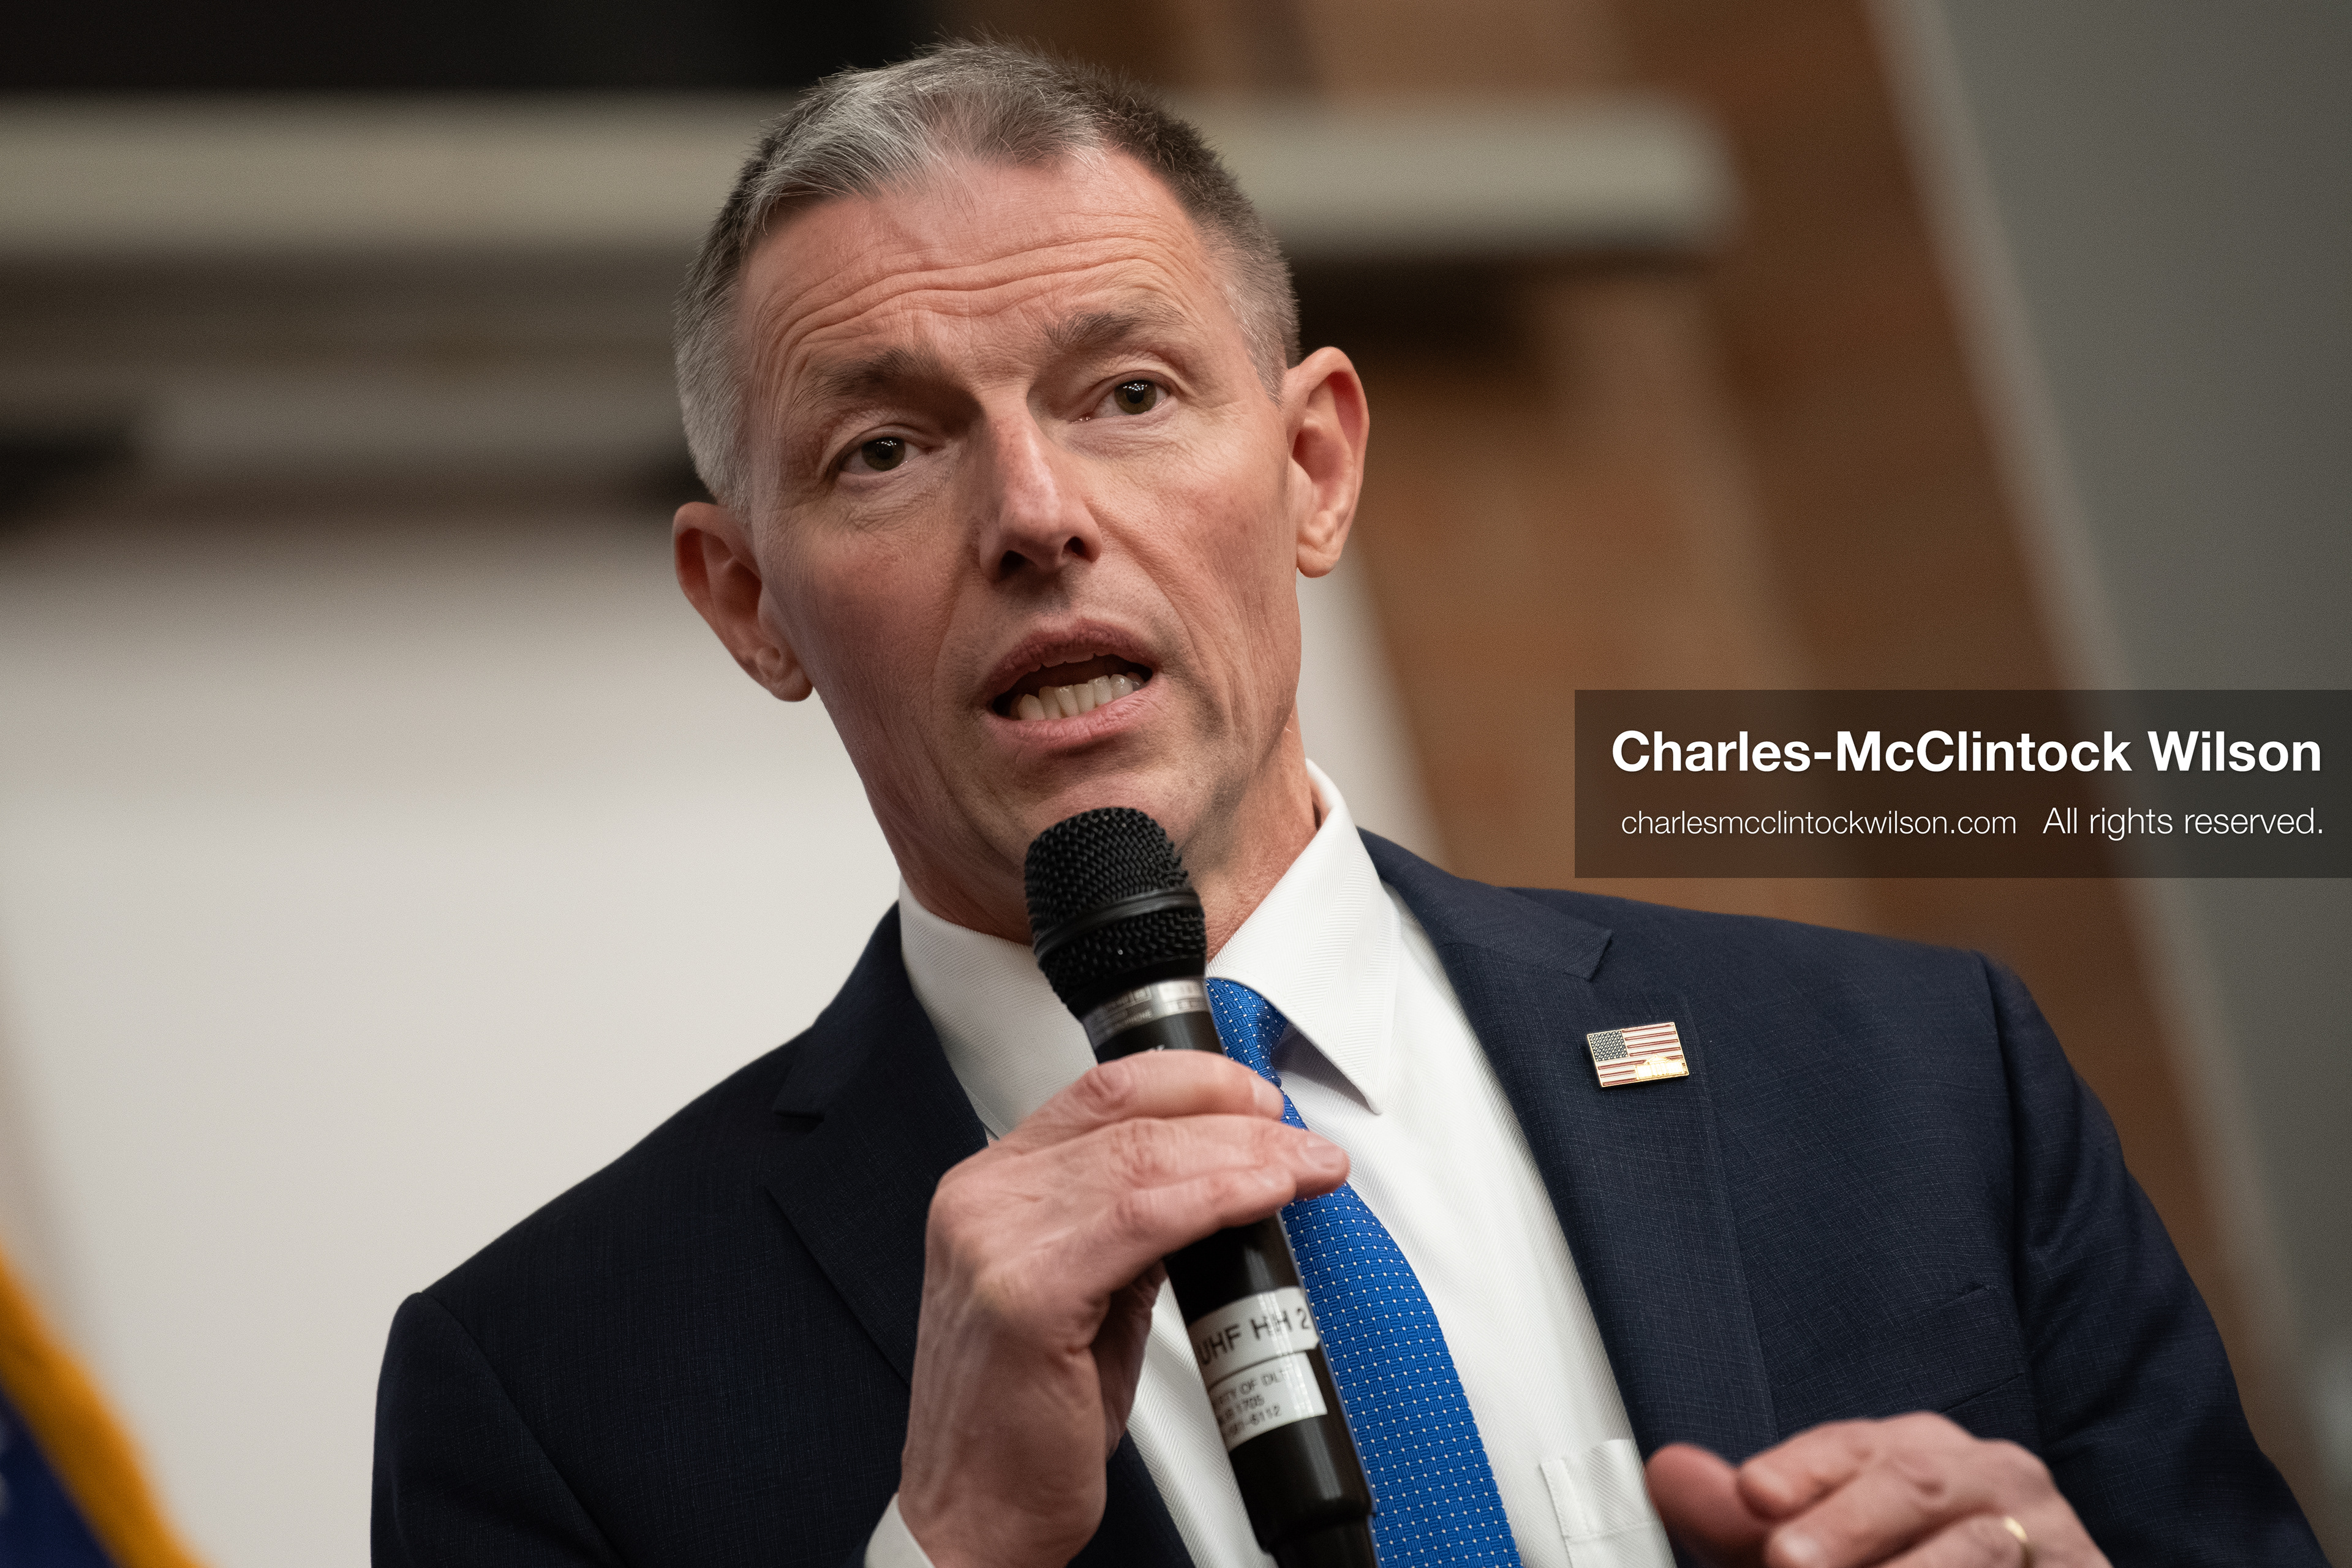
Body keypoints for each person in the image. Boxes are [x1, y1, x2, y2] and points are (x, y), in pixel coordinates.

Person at [370, 42, 2323, 1568]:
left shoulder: (1911, 1077)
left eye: (1128, 393)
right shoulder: (550, 1385)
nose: (1038, 514)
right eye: (886, 447)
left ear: (1312, 466)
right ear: (749, 602)